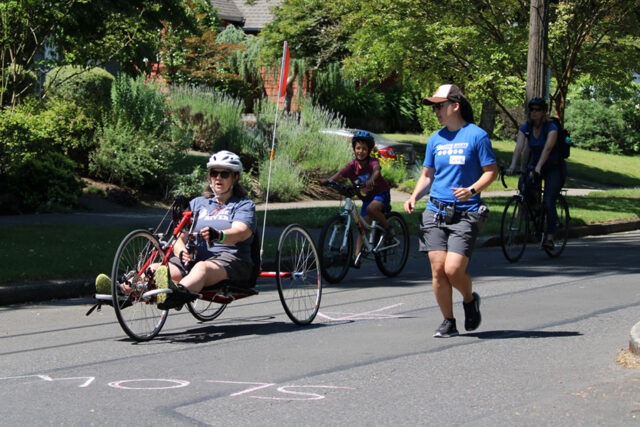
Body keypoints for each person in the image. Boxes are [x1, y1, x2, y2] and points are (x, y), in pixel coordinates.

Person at [95, 150, 257, 311]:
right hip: (192, 258)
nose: (218, 178)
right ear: (209, 176)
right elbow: (180, 236)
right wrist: (180, 252)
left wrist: (219, 235)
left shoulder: (243, 205)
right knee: (156, 269)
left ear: (235, 177)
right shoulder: (198, 203)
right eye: (214, 173)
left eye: (224, 174)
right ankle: (122, 292)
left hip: (230, 260)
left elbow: (242, 231)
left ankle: (175, 295)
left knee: (202, 268)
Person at [404, 84, 498, 338]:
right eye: (434, 107)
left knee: (453, 269)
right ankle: (448, 321)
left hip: (466, 212)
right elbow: (427, 175)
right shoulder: (435, 139)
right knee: (437, 269)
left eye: (439, 106)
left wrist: (472, 189)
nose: (435, 111)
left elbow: (491, 171)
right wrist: (414, 196)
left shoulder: (476, 136)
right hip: (435, 211)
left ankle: (469, 299)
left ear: (455, 106)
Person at [321, 130, 392, 268]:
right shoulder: (352, 166)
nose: (361, 151)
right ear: (354, 149)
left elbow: (377, 170)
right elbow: (340, 174)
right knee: (362, 225)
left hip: (380, 194)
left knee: (372, 209)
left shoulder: (372, 162)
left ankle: (388, 228)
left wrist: (372, 178)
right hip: (367, 198)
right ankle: (356, 256)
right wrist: (328, 181)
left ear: (369, 150)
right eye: (358, 148)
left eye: (364, 149)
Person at [506, 97, 567, 250]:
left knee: (549, 201)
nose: (534, 112)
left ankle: (550, 237)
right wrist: (513, 165)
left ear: (544, 112)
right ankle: (536, 209)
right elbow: (519, 147)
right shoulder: (526, 127)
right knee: (524, 185)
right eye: (532, 109)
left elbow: (547, 149)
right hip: (536, 165)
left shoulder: (551, 127)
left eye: (538, 109)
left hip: (554, 167)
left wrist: (539, 166)